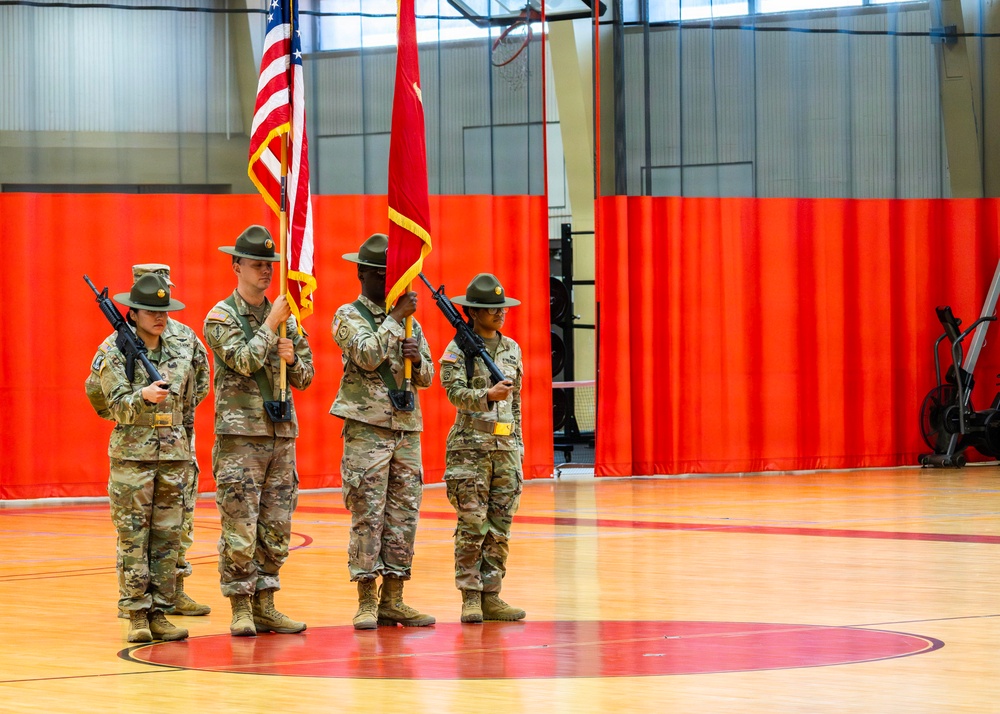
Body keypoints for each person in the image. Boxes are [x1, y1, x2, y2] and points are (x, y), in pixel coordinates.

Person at [203, 225, 315, 637]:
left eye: (270, 265)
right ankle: (240, 606)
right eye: (256, 265)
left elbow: (306, 377)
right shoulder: (220, 317)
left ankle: (267, 602)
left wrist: (292, 355)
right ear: (236, 266)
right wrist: (270, 326)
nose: (266, 272)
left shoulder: (287, 319)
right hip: (240, 439)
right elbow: (244, 361)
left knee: (276, 525)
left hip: (281, 435)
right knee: (240, 525)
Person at [90, 264, 213, 620]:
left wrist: (175, 424)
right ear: (133, 309)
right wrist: (140, 403)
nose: (160, 317)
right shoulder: (113, 348)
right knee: (133, 538)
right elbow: (102, 400)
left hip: (174, 453)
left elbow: (198, 386)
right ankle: (136, 612)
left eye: (164, 309)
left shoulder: (186, 339)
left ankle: (161, 608)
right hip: (134, 454)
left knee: (169, 536)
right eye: (151, 310)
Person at [330, 232, 436, 630]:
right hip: (369, 430)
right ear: (365, 274)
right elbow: (367, 355)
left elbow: (426, 376)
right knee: (367, 515)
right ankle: (366, 599)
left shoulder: (411, 322)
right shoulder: (347, 315)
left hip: (406, 429)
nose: (394, 283)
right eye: (386, 275)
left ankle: (394, 597)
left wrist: (416, 358)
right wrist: (393, 321)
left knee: (403, 515)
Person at [438, 273, 526, 623]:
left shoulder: (512, 348)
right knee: (473, 526)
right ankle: (470, 597)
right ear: (473, 311)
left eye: (501, 308)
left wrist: (518, 447)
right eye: (491, 309)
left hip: (505, 447)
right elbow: (453, 393)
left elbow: (516, 402)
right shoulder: (457, 349)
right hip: (469, 449)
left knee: (500, 526)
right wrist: (486, 396)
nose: (499, 314)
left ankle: (493, 594)